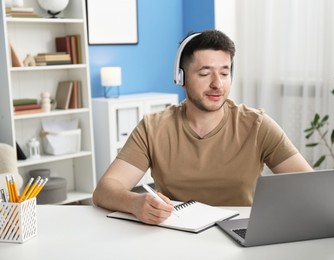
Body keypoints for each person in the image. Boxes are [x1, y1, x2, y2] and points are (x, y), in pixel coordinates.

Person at [93, 29, 313, 225]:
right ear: (181, 77)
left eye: (225, 73)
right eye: (205, 73)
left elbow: (309, 185)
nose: (217, 83)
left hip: (240, 236)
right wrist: (135, 203)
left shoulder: (257, 125)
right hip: (174, 237)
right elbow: (105, 190)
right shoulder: (153, 128)